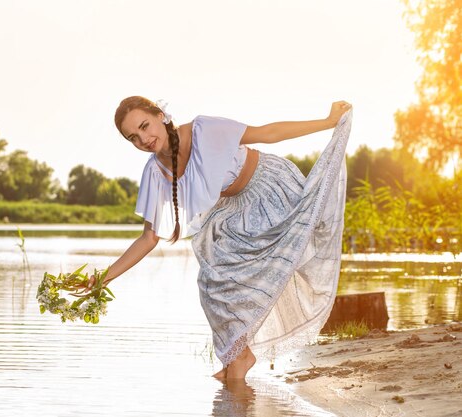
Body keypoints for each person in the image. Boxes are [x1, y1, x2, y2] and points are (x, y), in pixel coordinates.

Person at [72, 96, 353, 380]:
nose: (144, 139)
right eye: (133, 137)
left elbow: (267, 133)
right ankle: (238, 355)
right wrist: (104, 277)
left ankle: (239, 360)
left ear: (161, 115)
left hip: (268, 188)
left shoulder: (203, 130)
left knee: (277, 264)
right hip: (233, 212)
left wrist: (328, 122)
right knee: (212, 282)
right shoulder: (155, 172)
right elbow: (148, 238)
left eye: (145, 126)